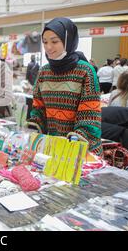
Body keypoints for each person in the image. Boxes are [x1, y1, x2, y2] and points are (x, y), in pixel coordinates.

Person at [29, 17, 102, 156]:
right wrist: (32, 128)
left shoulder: (84, 71)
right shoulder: (44, 72)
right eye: (45, 42)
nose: (48, 47)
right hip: (53, 149)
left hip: (81, 151)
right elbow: (38, 109)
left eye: (55, 41)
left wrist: (72, 144)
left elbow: (89, 117)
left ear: (68, 40)